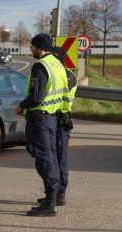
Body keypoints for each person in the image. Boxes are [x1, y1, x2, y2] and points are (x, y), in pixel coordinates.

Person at [14, 33, 69, 216]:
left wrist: (22, 106)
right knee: (51, 157)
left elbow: (36, 97)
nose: (30, 49)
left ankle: (50, 203)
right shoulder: (58, 65)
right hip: (53, 118)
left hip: (40, 119)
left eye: (32, 46)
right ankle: (52, 197)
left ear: (39, 47)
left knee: (44, 159)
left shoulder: (41, 66)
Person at [36, 46, 77, 207]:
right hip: (51, 118)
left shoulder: (68, 75)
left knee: (60, 156)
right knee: (50, 156)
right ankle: (52, 192)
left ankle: (60, 193)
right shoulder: (56, 71)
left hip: (62, 120)